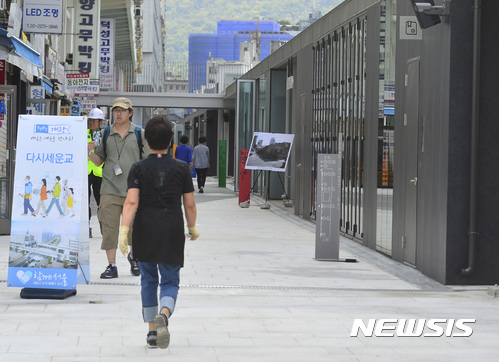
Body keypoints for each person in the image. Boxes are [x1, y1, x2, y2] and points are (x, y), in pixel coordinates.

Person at [118, 115, 199, 349]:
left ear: (146, 140)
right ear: (170, 140)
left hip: (145, 229)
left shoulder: (138, 168)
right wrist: (192, 227)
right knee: (170, 280)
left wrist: (124, 231)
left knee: (149, 280)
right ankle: (164, 313)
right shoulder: (182, 168)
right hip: (172, 228)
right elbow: (190, 205)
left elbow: (131, 203)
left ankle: (152, 331)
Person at [88, 97, 150, 279]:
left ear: (130, 113)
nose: (119, 113)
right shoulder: (106, 133)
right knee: (108, 227)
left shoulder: (140, 133)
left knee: (134, 228)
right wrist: (90, 152)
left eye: (123, 110)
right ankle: (111, 265)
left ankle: (134, 258)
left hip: (133, 189)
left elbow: (147, 161)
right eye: (116, 110)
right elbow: (99, 160)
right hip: (109, 188)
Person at [87, 108, 105, 238]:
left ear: (100, 122)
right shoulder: (83, 133)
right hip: (86, 172)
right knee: (85, 201)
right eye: (90, 120)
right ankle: (86, 227)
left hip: (100, 172)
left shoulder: (105, 135)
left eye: (95, 121)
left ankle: (103, 226)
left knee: (102, 202)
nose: (92, 123)